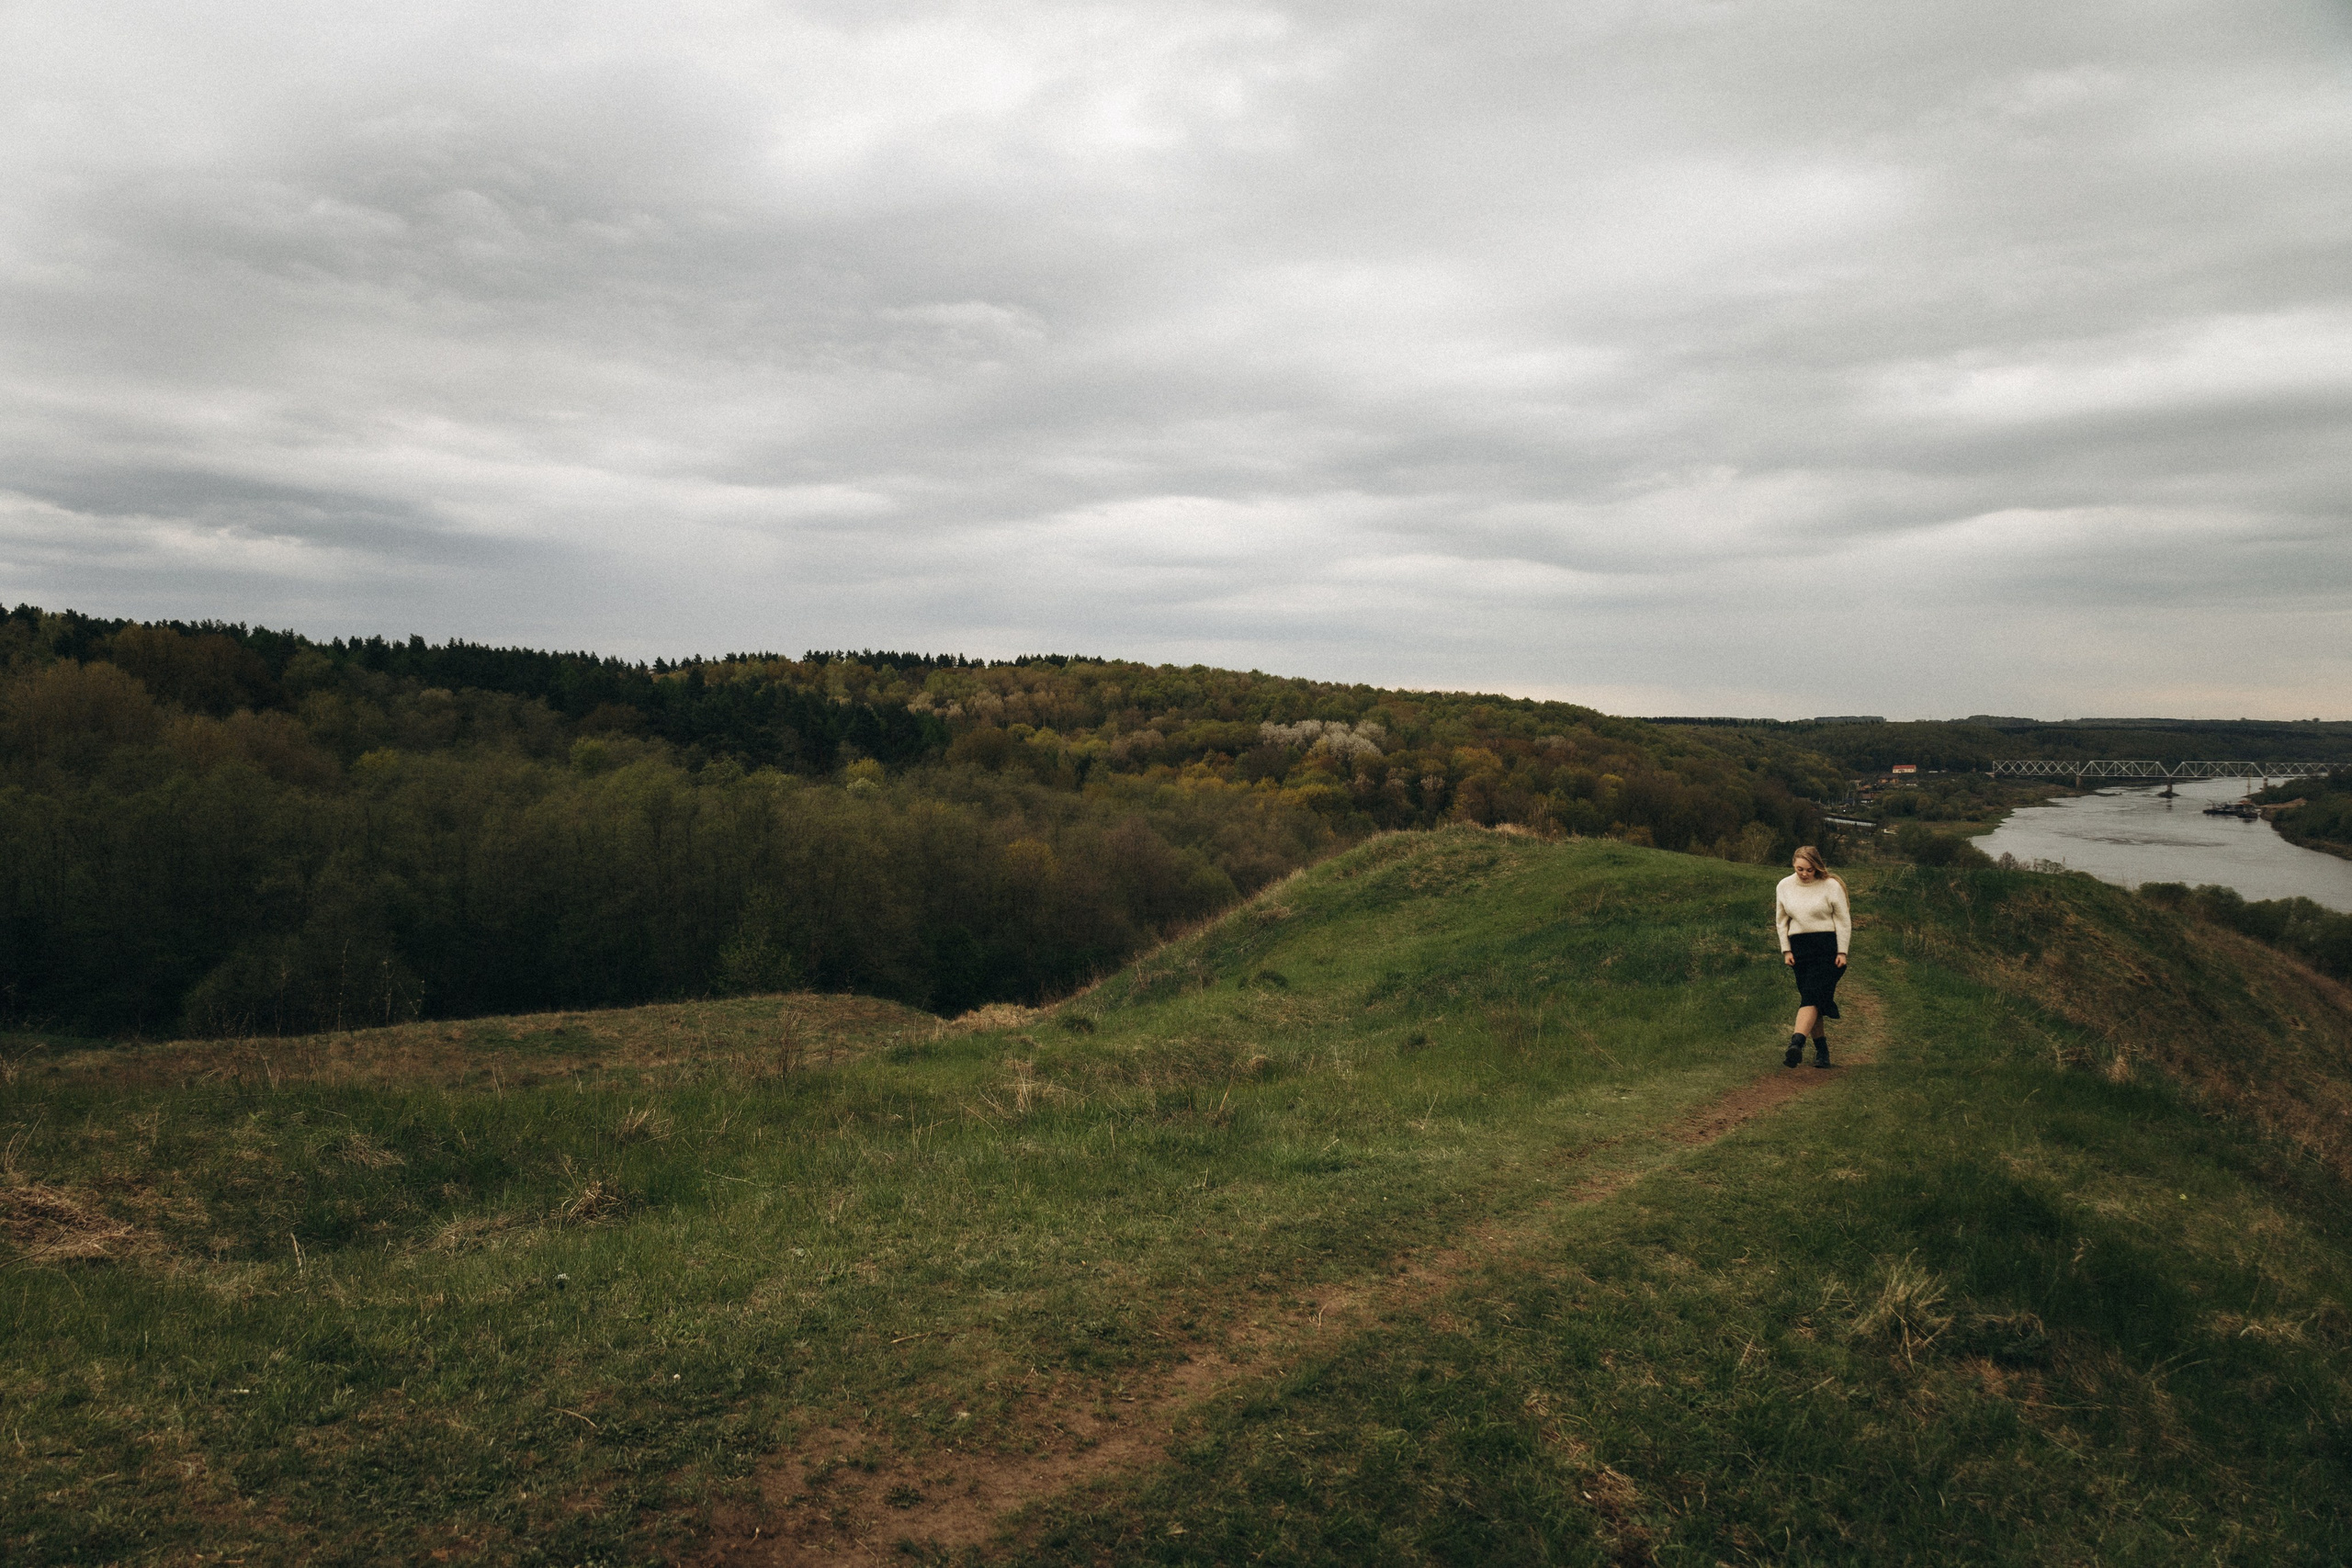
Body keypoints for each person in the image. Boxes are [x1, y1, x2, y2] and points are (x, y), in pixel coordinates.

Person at [1774, 845, 1849, 1068]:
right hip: (1800, 950)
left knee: (1811, 995)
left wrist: (1842, 951)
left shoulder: (1831, 886)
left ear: (1817, 867)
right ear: (1793, 866)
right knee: (1812, 998)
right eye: (1799, 869)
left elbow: (1843, 920)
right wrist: (1786, 950)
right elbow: (1781, 921)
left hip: (1827, 949)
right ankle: (1822, 1053)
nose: (1805, 874)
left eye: (1809, 870)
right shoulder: (1784, 886)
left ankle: (1797, 1042)